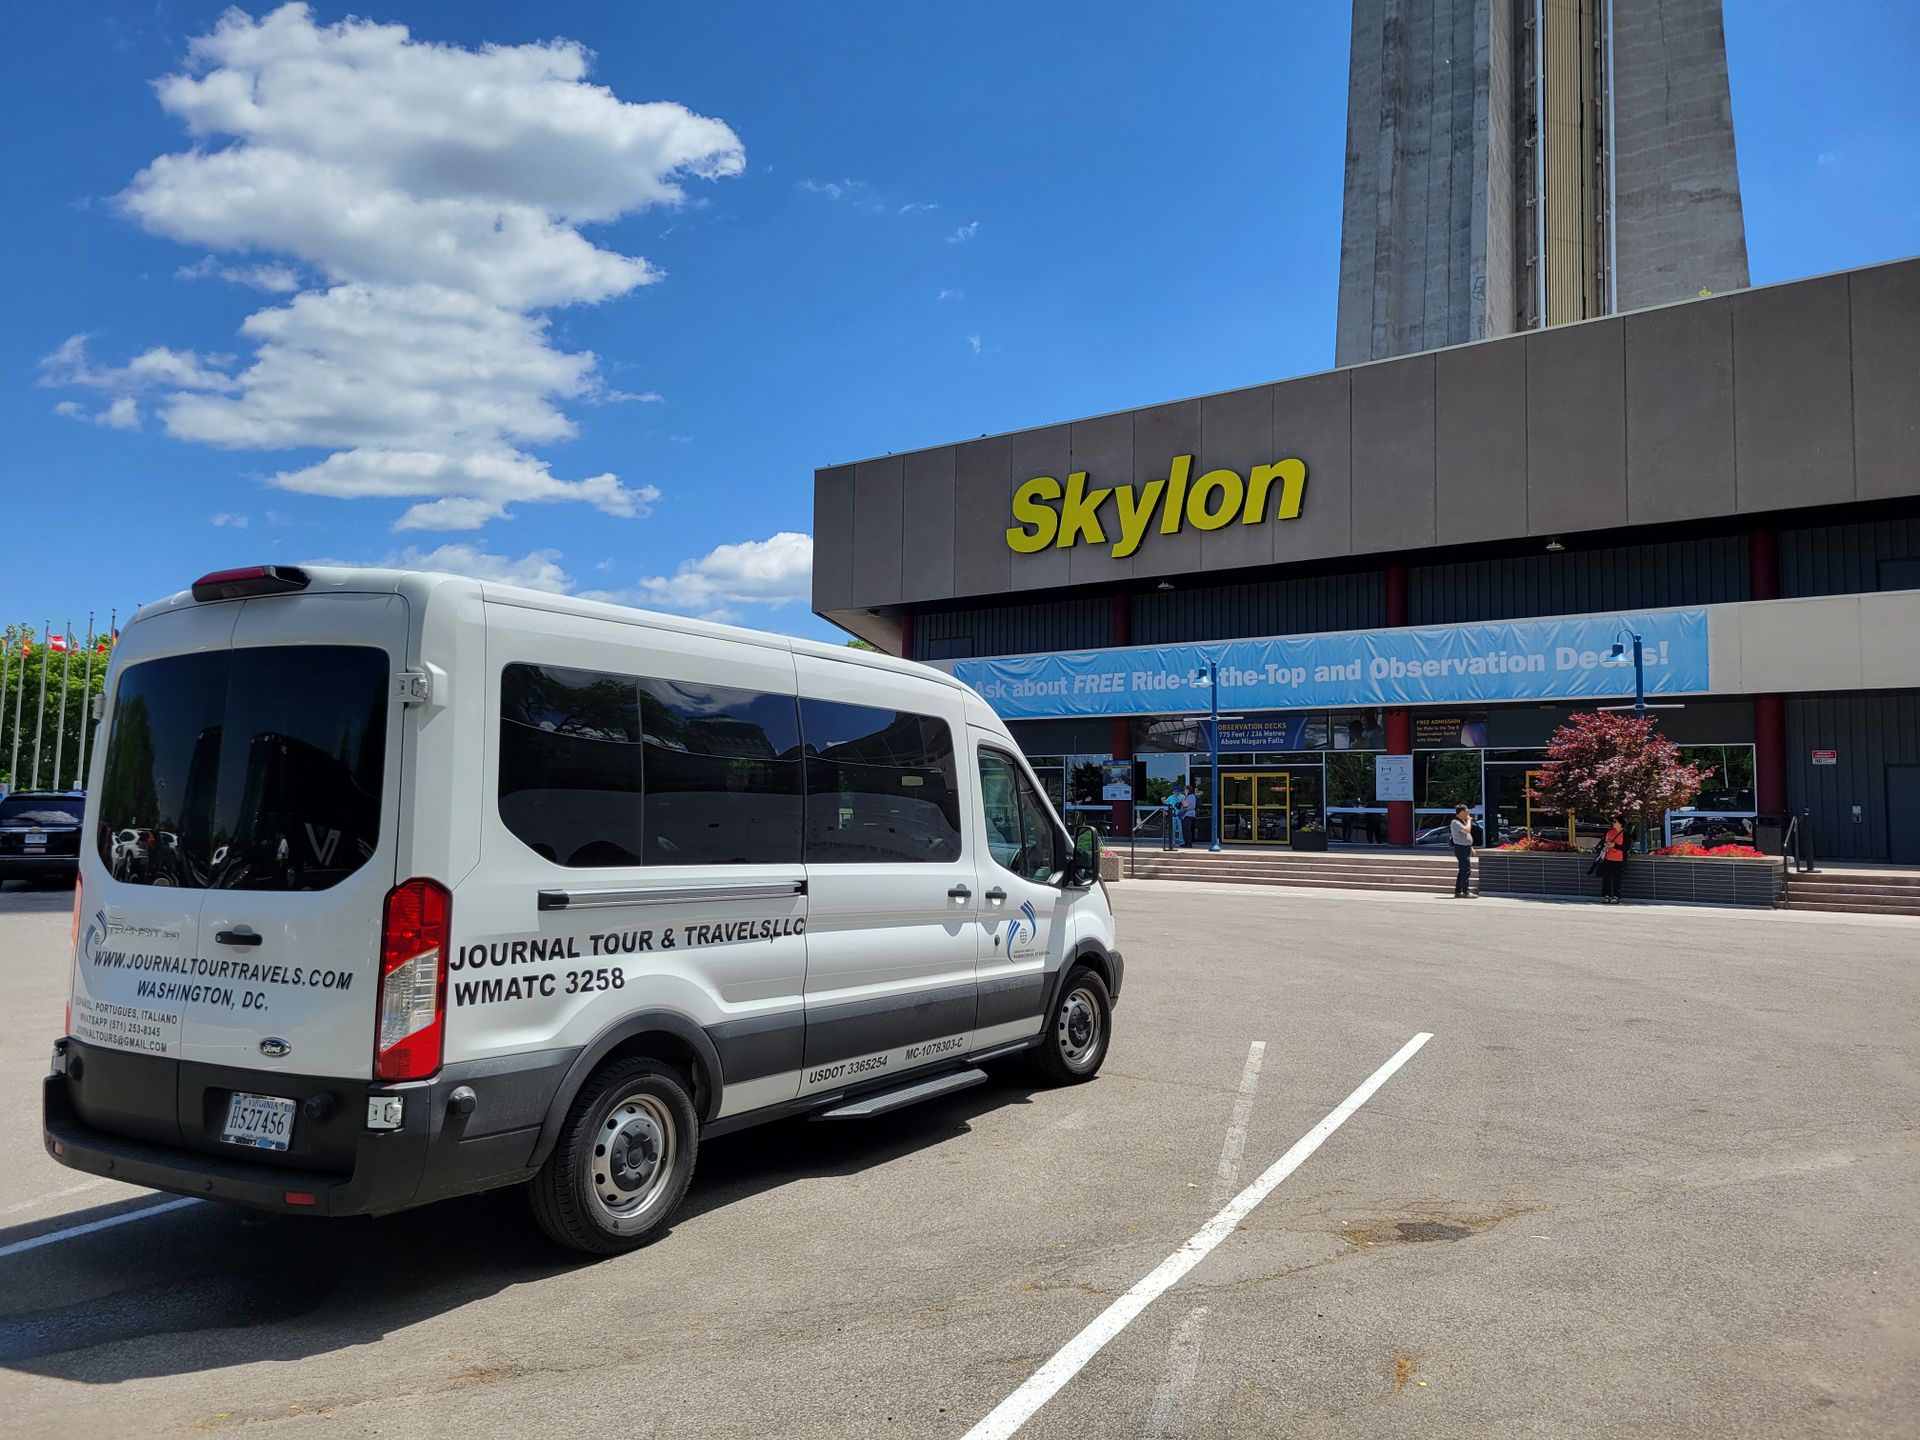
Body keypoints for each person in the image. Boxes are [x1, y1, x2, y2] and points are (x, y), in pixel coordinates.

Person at [1597, 815, 1628, 903]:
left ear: (1620, 823)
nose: (1613, 823)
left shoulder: (1625, 834)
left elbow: (1626, 847)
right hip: (1608, 858)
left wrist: (1615, 845)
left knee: (1616, 878)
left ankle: (1616, 896)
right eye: (1613, 821)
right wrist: (1605, 845)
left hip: (1619, 859)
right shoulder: (1609, 832)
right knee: (1606, 878)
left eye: (1615, 822)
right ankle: (1606, 895)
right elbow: (1602, 843)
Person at [1449, 805, 1475, 897]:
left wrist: (1470, 847)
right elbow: (1467, 830)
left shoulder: (1462, 821)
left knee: (1463, 870)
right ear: (1461, 812)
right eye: (1466, 812)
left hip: (1465, 847)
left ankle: (1458, 891)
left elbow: (1466, 836)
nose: (1468, 814)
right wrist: (1469, 821)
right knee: (1466, 870)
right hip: (1461, 848)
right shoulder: (1455, 822)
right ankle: (1465, 892)